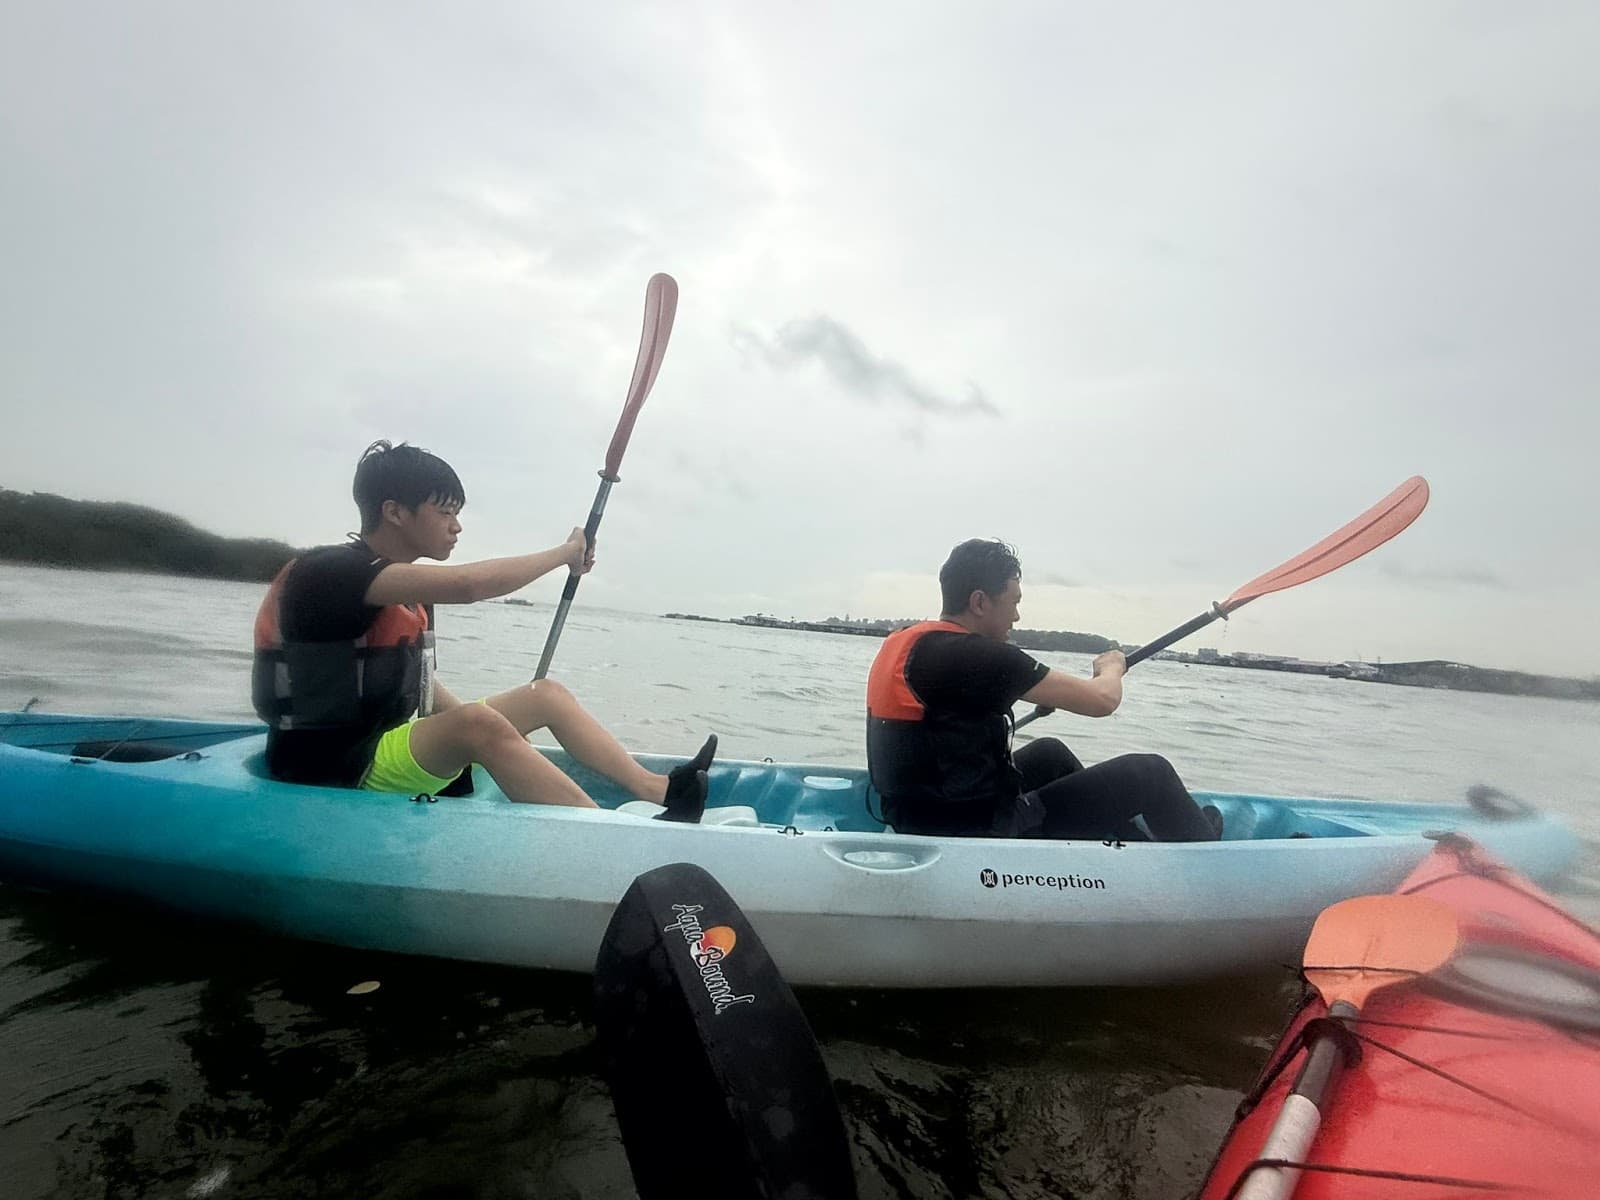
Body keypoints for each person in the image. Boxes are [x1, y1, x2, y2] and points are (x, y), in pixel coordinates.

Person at [252, 440, 715, 820]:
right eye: (444, 513)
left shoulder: (407, 586)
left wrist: (505, 734)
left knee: (544, 695)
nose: (456, 527)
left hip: (381, 744)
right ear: (394, 512)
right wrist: (564, 554)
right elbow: (472, 585)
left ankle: (661, 792)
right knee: (478, 725)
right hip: (332, 767)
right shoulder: (329, 572)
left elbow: (423, 689)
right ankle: (608, 836)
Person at [866, 538, 1220, 841]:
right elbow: (1102, 700)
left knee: (1050, 754)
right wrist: (1112, 667)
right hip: (977, 830)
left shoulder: (909, 641)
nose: (1017, 616)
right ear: (979, 602)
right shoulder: (982, 656)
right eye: (1014, 601)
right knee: (1151, 774)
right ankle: (1207, 862)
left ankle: (1129, 846)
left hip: (911, 814)